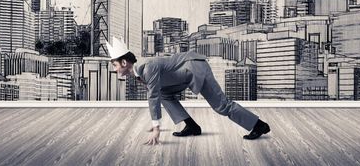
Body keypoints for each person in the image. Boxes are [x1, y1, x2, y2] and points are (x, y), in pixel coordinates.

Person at [108, 37, 270, 145]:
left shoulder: (147, 67)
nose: (115, 70)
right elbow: (156, 94)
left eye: (114, 66)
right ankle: (191, 126)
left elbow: (153, 96)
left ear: (123, 62)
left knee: (221, 106)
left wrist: (156, 127)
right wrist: (155, 122)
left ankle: (259, 125)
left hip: (195, 68)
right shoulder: (138, 72)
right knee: (165, 95)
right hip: (181, 76)